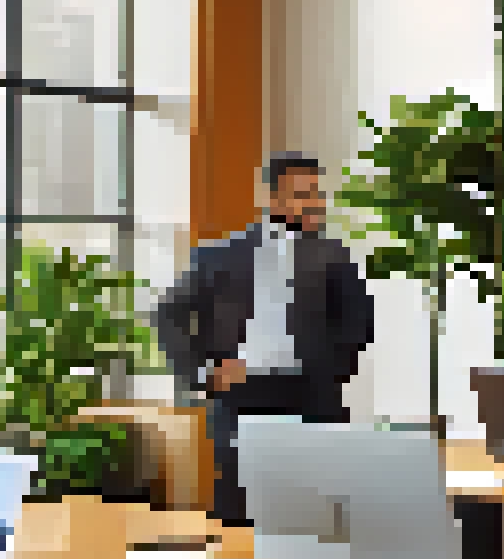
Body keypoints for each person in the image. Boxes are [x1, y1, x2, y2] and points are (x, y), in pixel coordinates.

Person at [154, 153, 377, 527]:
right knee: (240, 517)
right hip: (242, 396)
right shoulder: (218, 256)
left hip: (312, 397)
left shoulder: (334, 257)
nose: (315, 203)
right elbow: (168, 316)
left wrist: (330, 373)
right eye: (303, 194)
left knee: (318, 519)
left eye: (318, 194)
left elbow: (359, 322)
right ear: (273, 200)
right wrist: (203, 374)